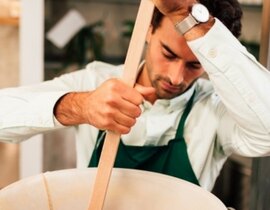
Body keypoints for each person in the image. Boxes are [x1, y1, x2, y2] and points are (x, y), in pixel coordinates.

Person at [1, 0, 270, 191]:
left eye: (194, 64)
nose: (176, 78)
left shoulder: (214, 106)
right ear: (148, 30)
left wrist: (185, 16)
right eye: (168, 54)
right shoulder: (95, 81)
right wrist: (81, 106)